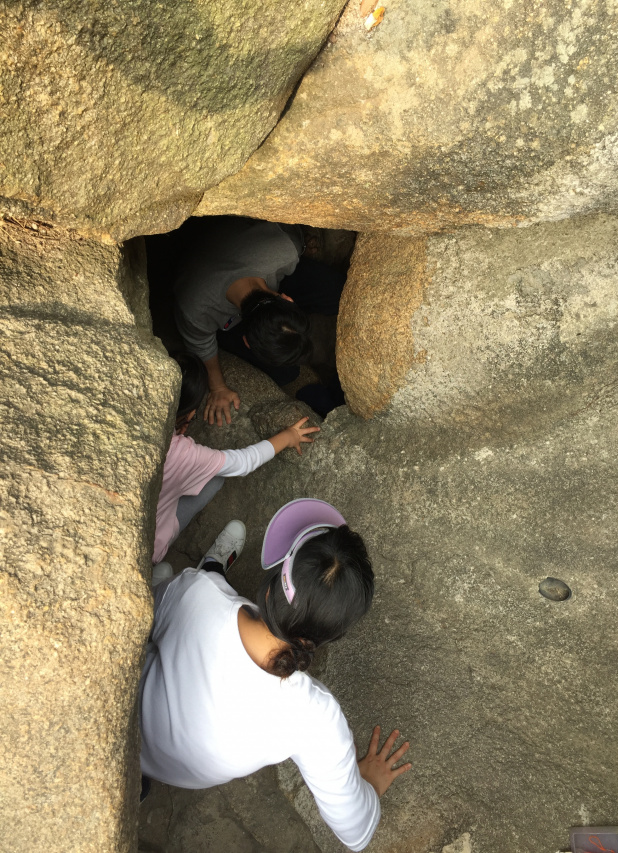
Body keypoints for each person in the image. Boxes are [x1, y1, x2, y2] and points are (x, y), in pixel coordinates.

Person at [140, 499, 411, 851]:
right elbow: (356, 834)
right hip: (177, 771)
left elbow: (145, 610)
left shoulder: (198, 593)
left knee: (169, 595)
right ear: (328, 637)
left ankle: (212, 568)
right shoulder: (315, 717)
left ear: (272, 584)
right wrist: (368, 786)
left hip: (127, 722)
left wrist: (186, 590)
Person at [171, 216, 346, 426]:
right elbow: (201, 343)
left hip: (255, 256)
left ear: (287, 298)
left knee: (340, 292)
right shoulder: (196, 308)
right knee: (286, 373)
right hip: (199, 264)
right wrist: (217, 387)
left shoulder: (286, 250)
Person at [153, 352, 319, 567]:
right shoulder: (181, 453)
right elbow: (242, 462)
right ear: (190, 413)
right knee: (215, 478)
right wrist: (288, 436)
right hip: (153, 542)